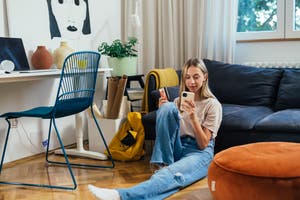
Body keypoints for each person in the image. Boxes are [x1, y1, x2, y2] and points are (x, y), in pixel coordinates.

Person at [88, 58, 222, 200]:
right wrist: (162, 110)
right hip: (177, 146)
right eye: (187, 77)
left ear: (205, 77)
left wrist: (194, 117)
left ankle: (121, 195)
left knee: (172, 176)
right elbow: (169, 131)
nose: (192, 82)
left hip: (199, 153)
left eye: (196, 77)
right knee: (167, 107)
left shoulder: (212, 105)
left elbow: (203, 144)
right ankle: (163, 163)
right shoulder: (178, 101)